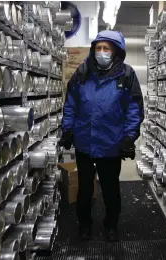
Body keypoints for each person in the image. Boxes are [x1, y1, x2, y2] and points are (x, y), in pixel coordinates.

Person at [59, 30, 144, 242]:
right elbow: (70, 104)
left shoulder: (126, 75)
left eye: (107, 48)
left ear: (116, 52)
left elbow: (134, 109)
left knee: (110, 189)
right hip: (85, 142)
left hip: (110, 143)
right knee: (85, 189)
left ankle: (111, 225)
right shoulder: (82, 72)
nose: (102, 52)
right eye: (98, 48)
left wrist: (129, 137)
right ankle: (84, 224)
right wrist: (67, 129)